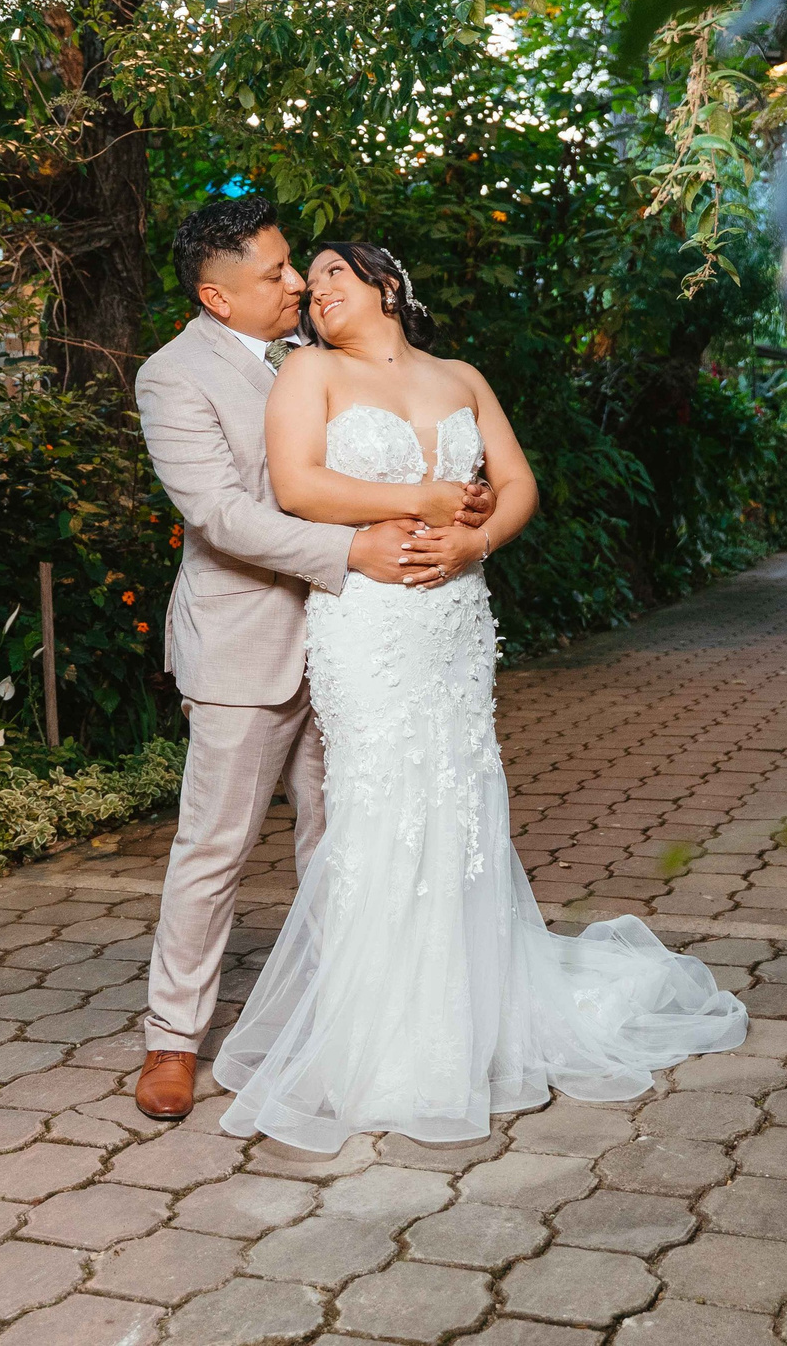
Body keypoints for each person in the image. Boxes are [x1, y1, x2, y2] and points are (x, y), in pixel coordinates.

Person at [211, 239, 746, 1151]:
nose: (317, 290)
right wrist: (425, 497)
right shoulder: (308, 374)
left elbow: (519, 481)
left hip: (457, 617)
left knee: (461, 796)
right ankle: (382, 1042)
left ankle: (475, 1017)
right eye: (312, 280)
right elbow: (298, 488)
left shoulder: (461, 376)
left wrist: (475, 541)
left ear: (387, 283)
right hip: (370, 619)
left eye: (335, 272)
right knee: (382, 803)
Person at [130, 198, 494, 1121]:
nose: (297, 283)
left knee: (347, 838)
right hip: (246, 640)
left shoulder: (321, 353)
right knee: (215, 845)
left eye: (295, 264)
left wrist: (461, 507)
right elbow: (220, 514)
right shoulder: (172, 377)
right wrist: (350, 550)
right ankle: (172, 1038)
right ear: (216, 297)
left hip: (360, 643)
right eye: (275, 274)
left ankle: (349, 1017)